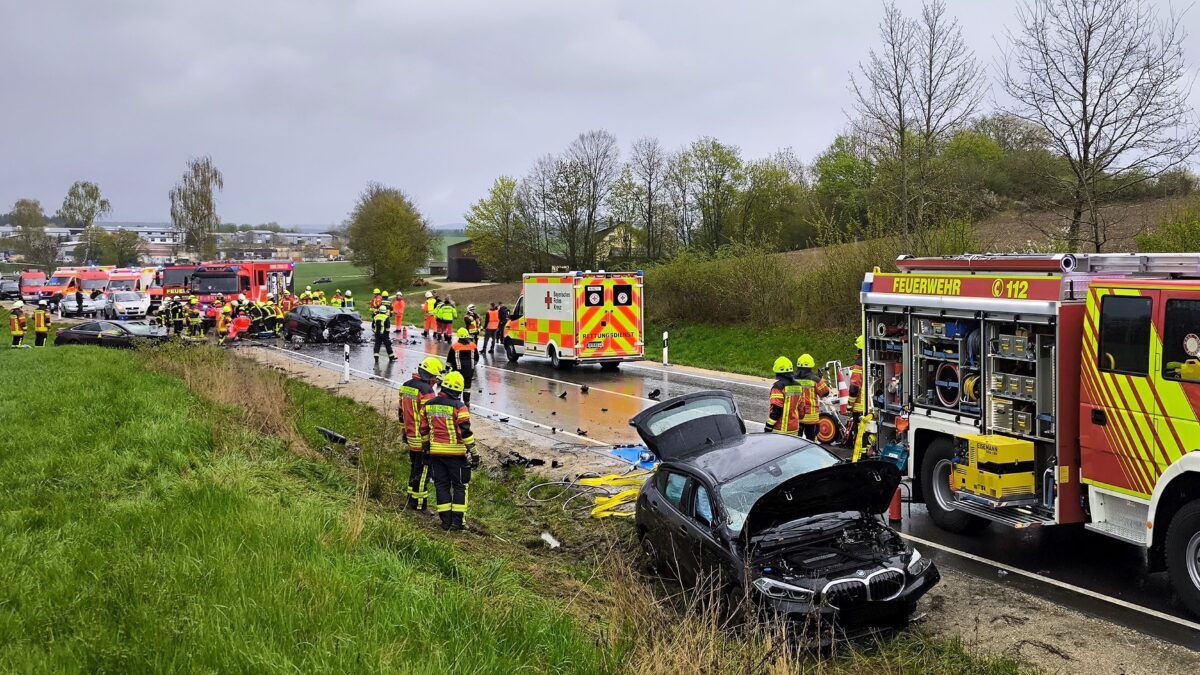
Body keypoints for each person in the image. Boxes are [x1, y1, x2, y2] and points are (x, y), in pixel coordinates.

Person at [427, 371, 475, 531]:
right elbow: (466, 433)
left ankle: (445, 522)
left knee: (441, 485)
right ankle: (458, 523)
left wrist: (426, 447)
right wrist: (474, 453)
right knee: (461, 486)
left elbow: (424, 430)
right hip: (456, 455)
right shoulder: (459, 407)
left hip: (435, 453)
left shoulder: (429, 405)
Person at [399, 357, 443, 511]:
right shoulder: (427, 391)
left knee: (414, 469)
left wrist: (403, 430)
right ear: (429, 375)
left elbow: (401, 412)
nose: (435, 381)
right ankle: (419, 505)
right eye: (435, 377)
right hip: (423, 439)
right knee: (424, 472)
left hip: (411, 435)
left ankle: (410, 497)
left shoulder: (405, 386)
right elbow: (429, 417)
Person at [795, 353, 831, 441]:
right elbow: (825, 393)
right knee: (811, 440)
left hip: (796, 415)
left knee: (796, 440)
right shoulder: (815, 380)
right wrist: (821, 379)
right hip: (811, 416)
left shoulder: (792, 379)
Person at [765, 356, 801, 436]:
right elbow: (802, 408)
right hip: (794, 428)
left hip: (780, 430)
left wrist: (769, 425)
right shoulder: (798, 386)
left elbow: (776, 409)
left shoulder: (778, 387)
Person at [446, 327, 479, 407]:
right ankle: (467, 403)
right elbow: (476, 358)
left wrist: (447, 369)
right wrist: (472, 366)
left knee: (457, 385)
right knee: (467, 387)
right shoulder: (473, 346)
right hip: (469, 370)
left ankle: (457, 402)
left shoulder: (455, 346)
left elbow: (449, 359)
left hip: (458, 370)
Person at [847, 335, 866, 443]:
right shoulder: (869, 361)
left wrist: (850, 405)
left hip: (859, 407)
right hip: (872, 405)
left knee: (860, 435)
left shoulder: (858, 366)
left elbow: (854, 388)